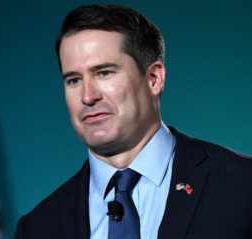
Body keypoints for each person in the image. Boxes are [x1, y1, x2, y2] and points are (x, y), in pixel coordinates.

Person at [15, 4, 252, 239]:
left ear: (154, 79)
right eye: (74, 80)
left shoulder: (242, 185)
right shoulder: (37, 227)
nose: (87, 97)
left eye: (104, 73)